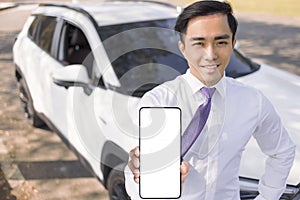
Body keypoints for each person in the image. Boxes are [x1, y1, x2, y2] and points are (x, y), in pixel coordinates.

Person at [125, 0, 296, 199]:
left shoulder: (252, 101)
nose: (211, 54)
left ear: (233, 44)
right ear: (183, 48)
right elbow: (133, 184)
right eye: (199, 43)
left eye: (221, 42)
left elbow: (282, 152)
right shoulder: (158, 102)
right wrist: (143, 180)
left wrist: (267, 197)